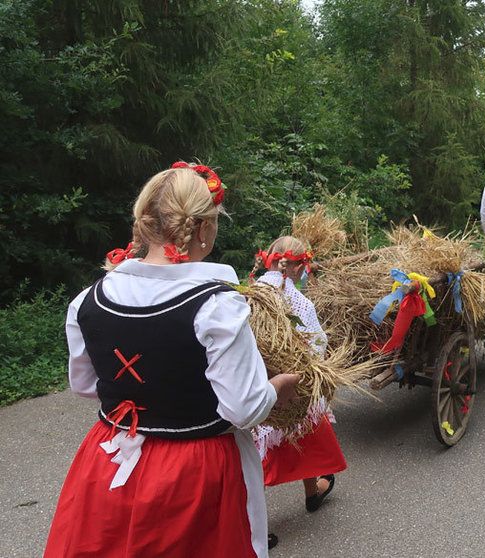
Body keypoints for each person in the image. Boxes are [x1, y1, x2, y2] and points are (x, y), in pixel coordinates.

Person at [44, 163, 299, 558]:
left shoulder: (88, 300)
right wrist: (278, 389)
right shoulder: (217, 305)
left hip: (109, 459)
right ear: (202, 229)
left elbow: (83, 385)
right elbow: (243, 407)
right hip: (194, 470)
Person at [250, 236, 346, 516]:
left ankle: (309, 492)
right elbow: (317, 344)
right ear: (297, 266)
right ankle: (265, 515)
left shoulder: (251, 292)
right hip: (291, 387)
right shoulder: (300, 302)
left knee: (261, 445)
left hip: (258, 382)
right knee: (304, 427)